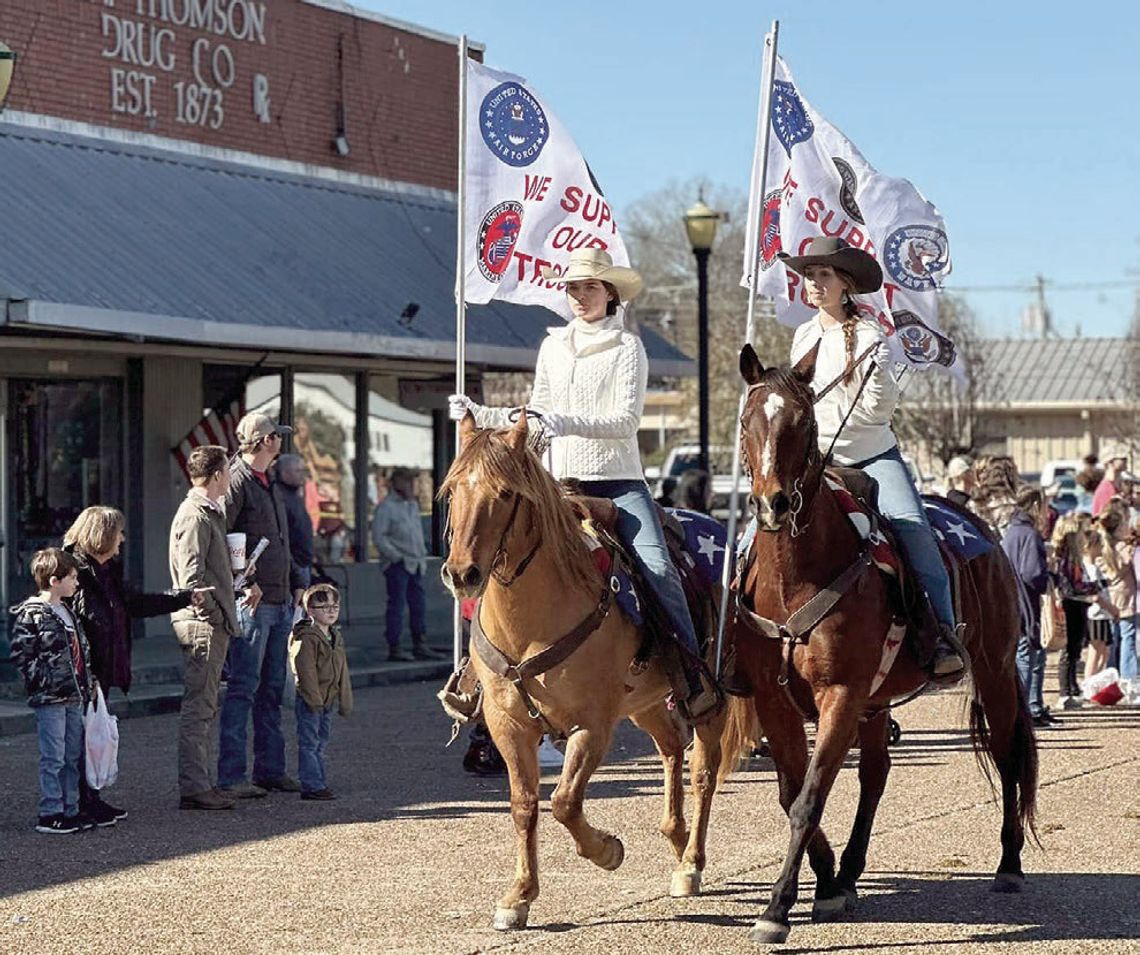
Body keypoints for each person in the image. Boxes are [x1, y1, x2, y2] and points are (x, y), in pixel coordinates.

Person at [449, 247, 720, 723]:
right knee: (501, 557)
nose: (579, 296)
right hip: (558, 485)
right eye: (573, 288)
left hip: (618, 484)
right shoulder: (553, 345)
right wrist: (480, 412)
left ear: (610, 293)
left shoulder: (627, 347)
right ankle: (478, 675)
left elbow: (624, 421)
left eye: (589, 288)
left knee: (658, 568)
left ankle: (689, 674)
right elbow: (532, 417)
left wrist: (560, 420)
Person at [775, 237, 965, 681]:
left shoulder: (869, 335)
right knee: (756, 537)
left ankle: (938, 635)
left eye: (823, 275)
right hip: (815, 463)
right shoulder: (803, 335)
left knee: (915, 534)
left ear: (845, 285)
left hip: (871, 458)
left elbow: (875, 413)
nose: (814, 284)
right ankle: (738, 635)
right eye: (809, 276)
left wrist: (877, 377)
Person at [64, 506, 198, 824]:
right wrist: (87, 671)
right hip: (85, 669)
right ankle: (75, 802)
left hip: (106, 664)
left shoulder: (108, 570)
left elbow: (134, 604)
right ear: (103, 535)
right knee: (78, 738)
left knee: (95, 734)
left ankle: (89, 798)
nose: (122, 539)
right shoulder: (73, 570)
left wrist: (183, 598)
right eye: (118, 533)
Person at [217, 412, 306, 799]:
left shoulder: (267, 482)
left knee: (270, 689)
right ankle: (232, 775)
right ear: (264, 441)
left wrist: (297, 579)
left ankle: (270, 769)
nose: (280, 441)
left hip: (280, 597)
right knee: (243, 688)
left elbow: (279, 540)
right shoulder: (238, 481)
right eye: (275, 436)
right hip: (253, 602)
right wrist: (246, 581)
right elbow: (223, 536)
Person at [169, 446, 242, 811]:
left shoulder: (209, 512)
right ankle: (195, 786)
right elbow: (190, 578)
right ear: (216, 476)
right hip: (202, 625)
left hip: (212, 621)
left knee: (206, 704)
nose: (230, 476)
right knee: (199, 706)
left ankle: (201, 783)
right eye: (227, 470)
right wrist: (214, 613)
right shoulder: (196, 515)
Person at [9, 548, 97, 833]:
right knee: (54, 756)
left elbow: (80, 652)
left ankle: (69, 808)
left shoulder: (67, 611)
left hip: (74, 694)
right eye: (71, 577)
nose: (76, 583)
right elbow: (23, 655)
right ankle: (51, 811)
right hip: (51, 696)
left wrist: (88, 681)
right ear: (54, 580)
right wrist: (43, 681)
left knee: (72, 754)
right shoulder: (32, 614)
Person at [288, 583, 353, 801]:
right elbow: (305, 670)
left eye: (335, 606)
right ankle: (312, 785)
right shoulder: (306, 637)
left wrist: (344, 699)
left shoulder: (335, 636)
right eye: (324, 607)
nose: (331, 611)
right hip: (312, 700)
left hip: (328, 698)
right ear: (311, 611)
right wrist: (314, 700)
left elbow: (342, 669)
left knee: (321, 741)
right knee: (309, 742)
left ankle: (318, 780)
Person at [372, 466, 439, 662]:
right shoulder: (386, 507)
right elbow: (379, 536)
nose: (412, 486)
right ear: (396, 484)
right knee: (397, 606)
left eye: (413, 482)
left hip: (416, 563)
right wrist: (396, 557)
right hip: (398, 565)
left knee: (418, 605)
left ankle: (420, 643)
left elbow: (416, 534)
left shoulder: (411, 505)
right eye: (407, 481)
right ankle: (395, 646)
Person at [1001, 486, 1054, 727]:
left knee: (1031, 655)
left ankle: (1032, 705)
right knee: (1027, 656)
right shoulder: (1029, 534)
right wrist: (1048, 578)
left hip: (1012, 602)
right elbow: (1032, 573)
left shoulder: (1012, 532)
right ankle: (1023, 709)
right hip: (1025, 602)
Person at [1051, 515, 1112, 708]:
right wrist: (1093, 587)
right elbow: (1072, 586)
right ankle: (1065, 691)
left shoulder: (1072, 558)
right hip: (1072, 604)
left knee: (1075, 649)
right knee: (1069, 650)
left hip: (1079, 604)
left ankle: (1072, 688)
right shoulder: (1066, 559)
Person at [275, 454, 315, 589]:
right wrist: (293, 563)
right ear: (285, 473)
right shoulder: (279, 496)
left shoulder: (295, 495)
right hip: (293, 565)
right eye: (298, 471)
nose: (302, 475)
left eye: (303, 470)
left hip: (303, 563)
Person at [1092, 446, 1129, 516]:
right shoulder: (1106, 488)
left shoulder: (1121, 485)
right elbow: (1107, 519)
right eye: (1122, 459)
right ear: (1110, 462)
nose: (1126, 460)